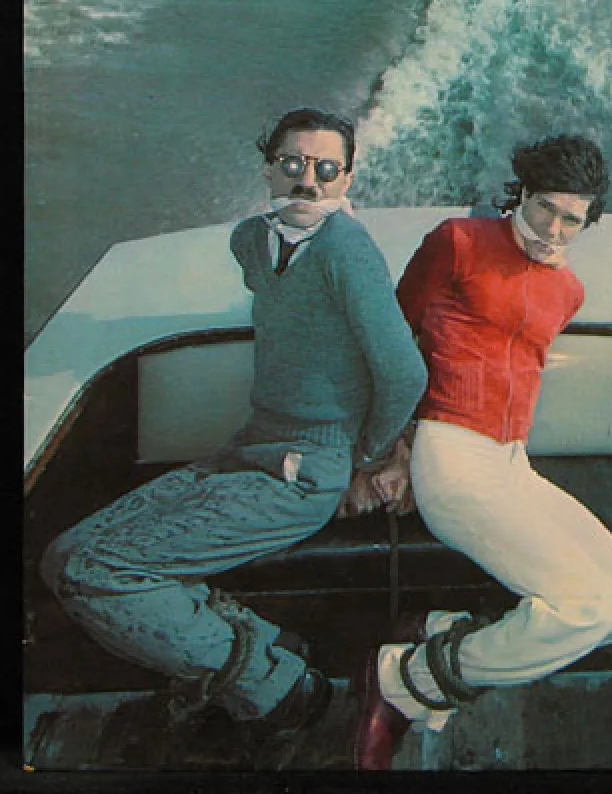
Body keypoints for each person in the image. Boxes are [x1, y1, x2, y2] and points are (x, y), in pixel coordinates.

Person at [40, 107, 427, 765]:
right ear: (269, 167)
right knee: (63, 556)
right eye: (292, 163)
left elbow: (404, 372)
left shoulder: (347, 251)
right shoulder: (252, 241)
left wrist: (365, 459)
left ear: (347, 178)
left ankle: (281, 691)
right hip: (248, 448)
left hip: (304, 472)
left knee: (94, 571)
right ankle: (262, 647)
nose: (308, 180)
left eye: (326, 168)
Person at [353, 135, 612, 770]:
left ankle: (442, 633)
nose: (553, 230)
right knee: (584, 606)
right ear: (522, 193)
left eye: (572, 219)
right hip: (451, 453)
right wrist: (392, 446)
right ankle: (405, 681)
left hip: (513, 462)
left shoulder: (568, 290)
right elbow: (392, 342)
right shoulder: (457, 242)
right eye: (544, 208)